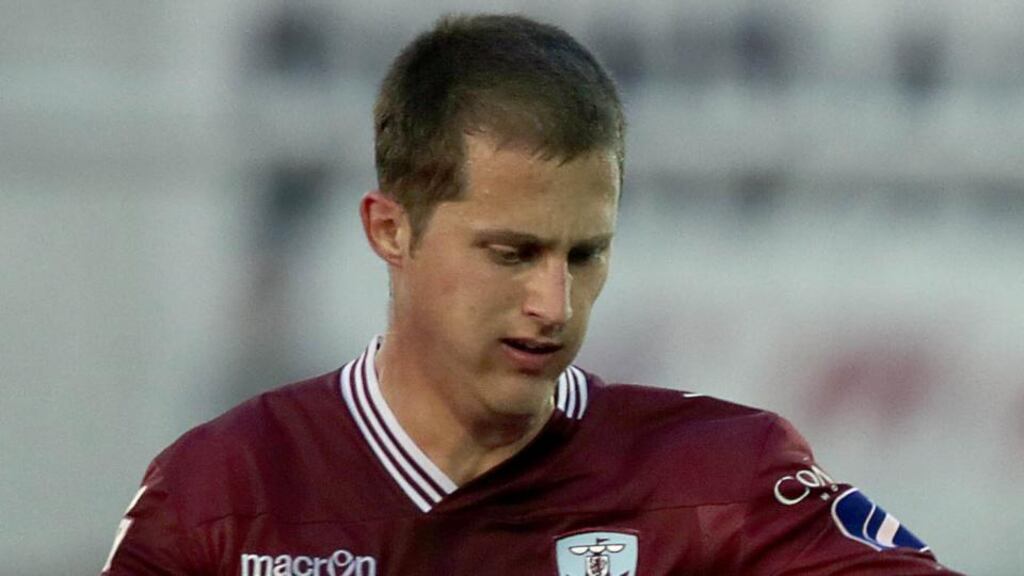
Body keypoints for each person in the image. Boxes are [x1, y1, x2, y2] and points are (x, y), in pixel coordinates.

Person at [102, 14, 963, 576]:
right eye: (511, 253)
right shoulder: (221, 496)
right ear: (389, 231)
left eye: (585, 254)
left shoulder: (722, 482)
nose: (555, 304)